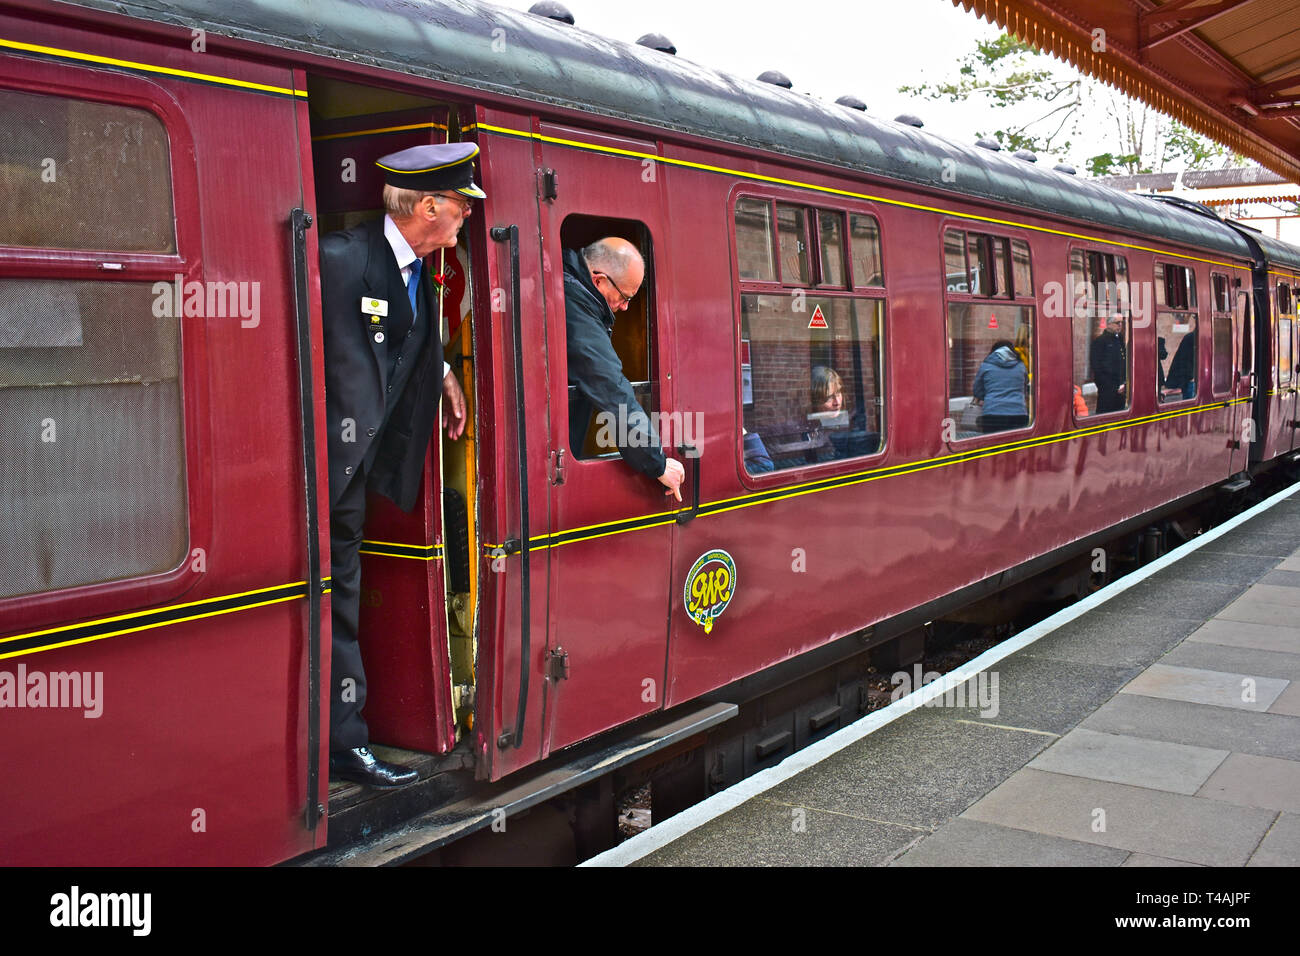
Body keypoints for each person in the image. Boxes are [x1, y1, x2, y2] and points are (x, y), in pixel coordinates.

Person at [319, 142, 481, 788]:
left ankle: (342, 741)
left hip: (354, 482)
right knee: (324, 603)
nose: (466, 218)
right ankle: (336, 744)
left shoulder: (419, 271)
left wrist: (441, 372)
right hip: (319, 477)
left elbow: (405, 330)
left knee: (345, 601)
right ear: (427, 206)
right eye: (461, 206)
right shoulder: (339, 260)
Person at [563, 238, 684, 499]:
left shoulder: (571, 287)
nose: (626, 307)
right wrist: (658, 464)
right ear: (599, 281)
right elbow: (610, 388)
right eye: (625, 297)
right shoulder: (575, 304)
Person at [972, 339, 1029, 432]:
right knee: (1016, 445)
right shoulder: (1021, 366)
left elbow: (977, 391)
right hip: (1018, 413)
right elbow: (1025, 387)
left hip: (992, 414)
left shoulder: (986, 365)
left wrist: (989, 396)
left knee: (992, 445)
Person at [1090, 315, 1127, 413]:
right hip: (1107, 392)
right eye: (1117, 323)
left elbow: (1123, 363)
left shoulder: (1119, 340)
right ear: (1109, 324)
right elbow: (1096, 368)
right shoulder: (1100, 341)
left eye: (1121, 323)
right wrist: (1110, 388)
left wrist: (1124, 383)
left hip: (1121, 390)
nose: (1120, 325)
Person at [1165, 321, 1198, 400]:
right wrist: (1190, 377)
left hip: (1190, 378)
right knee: (1190, 403)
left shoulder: (1190, 337)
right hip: (1190, 379)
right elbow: (1184, 360)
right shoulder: (1192, 338)